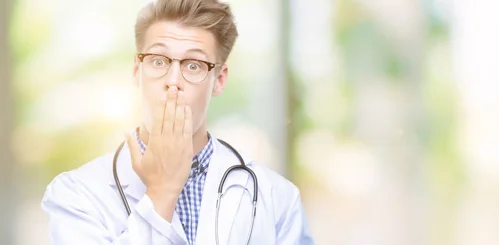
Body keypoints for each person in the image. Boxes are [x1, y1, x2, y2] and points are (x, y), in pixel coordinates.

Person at [40, 0, 315, 244]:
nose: (173, 81)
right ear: (138, 70)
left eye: (193, 65)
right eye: (159, 61)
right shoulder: (75, 195)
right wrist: (161, 192)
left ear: (218, 79)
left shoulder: (278, 199)